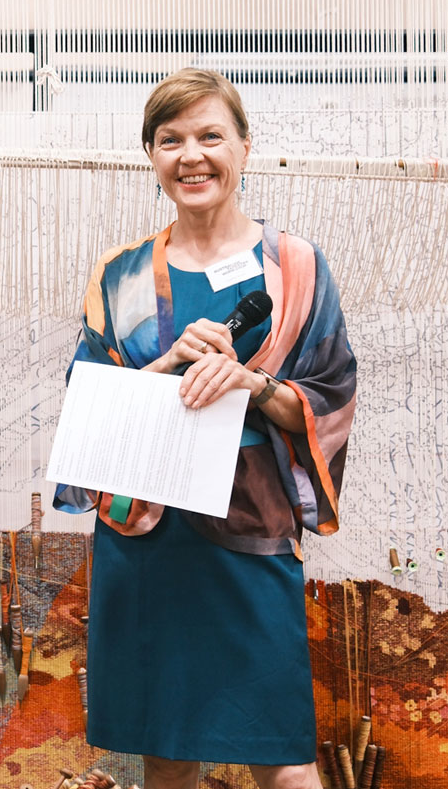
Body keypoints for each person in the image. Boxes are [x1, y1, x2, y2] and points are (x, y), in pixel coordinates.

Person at [54, 69, 356, 789]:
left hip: (250, 535)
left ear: (245, 149)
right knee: (166, 755)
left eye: (210, 135)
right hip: (148, 544)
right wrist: (162, 366)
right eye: (170, 139)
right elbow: (86, 401)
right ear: (151, 157)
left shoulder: (297, 270)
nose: (191, 155)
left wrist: (253, 384)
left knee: (283, 762)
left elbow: (333, 391)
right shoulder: (119, 275)